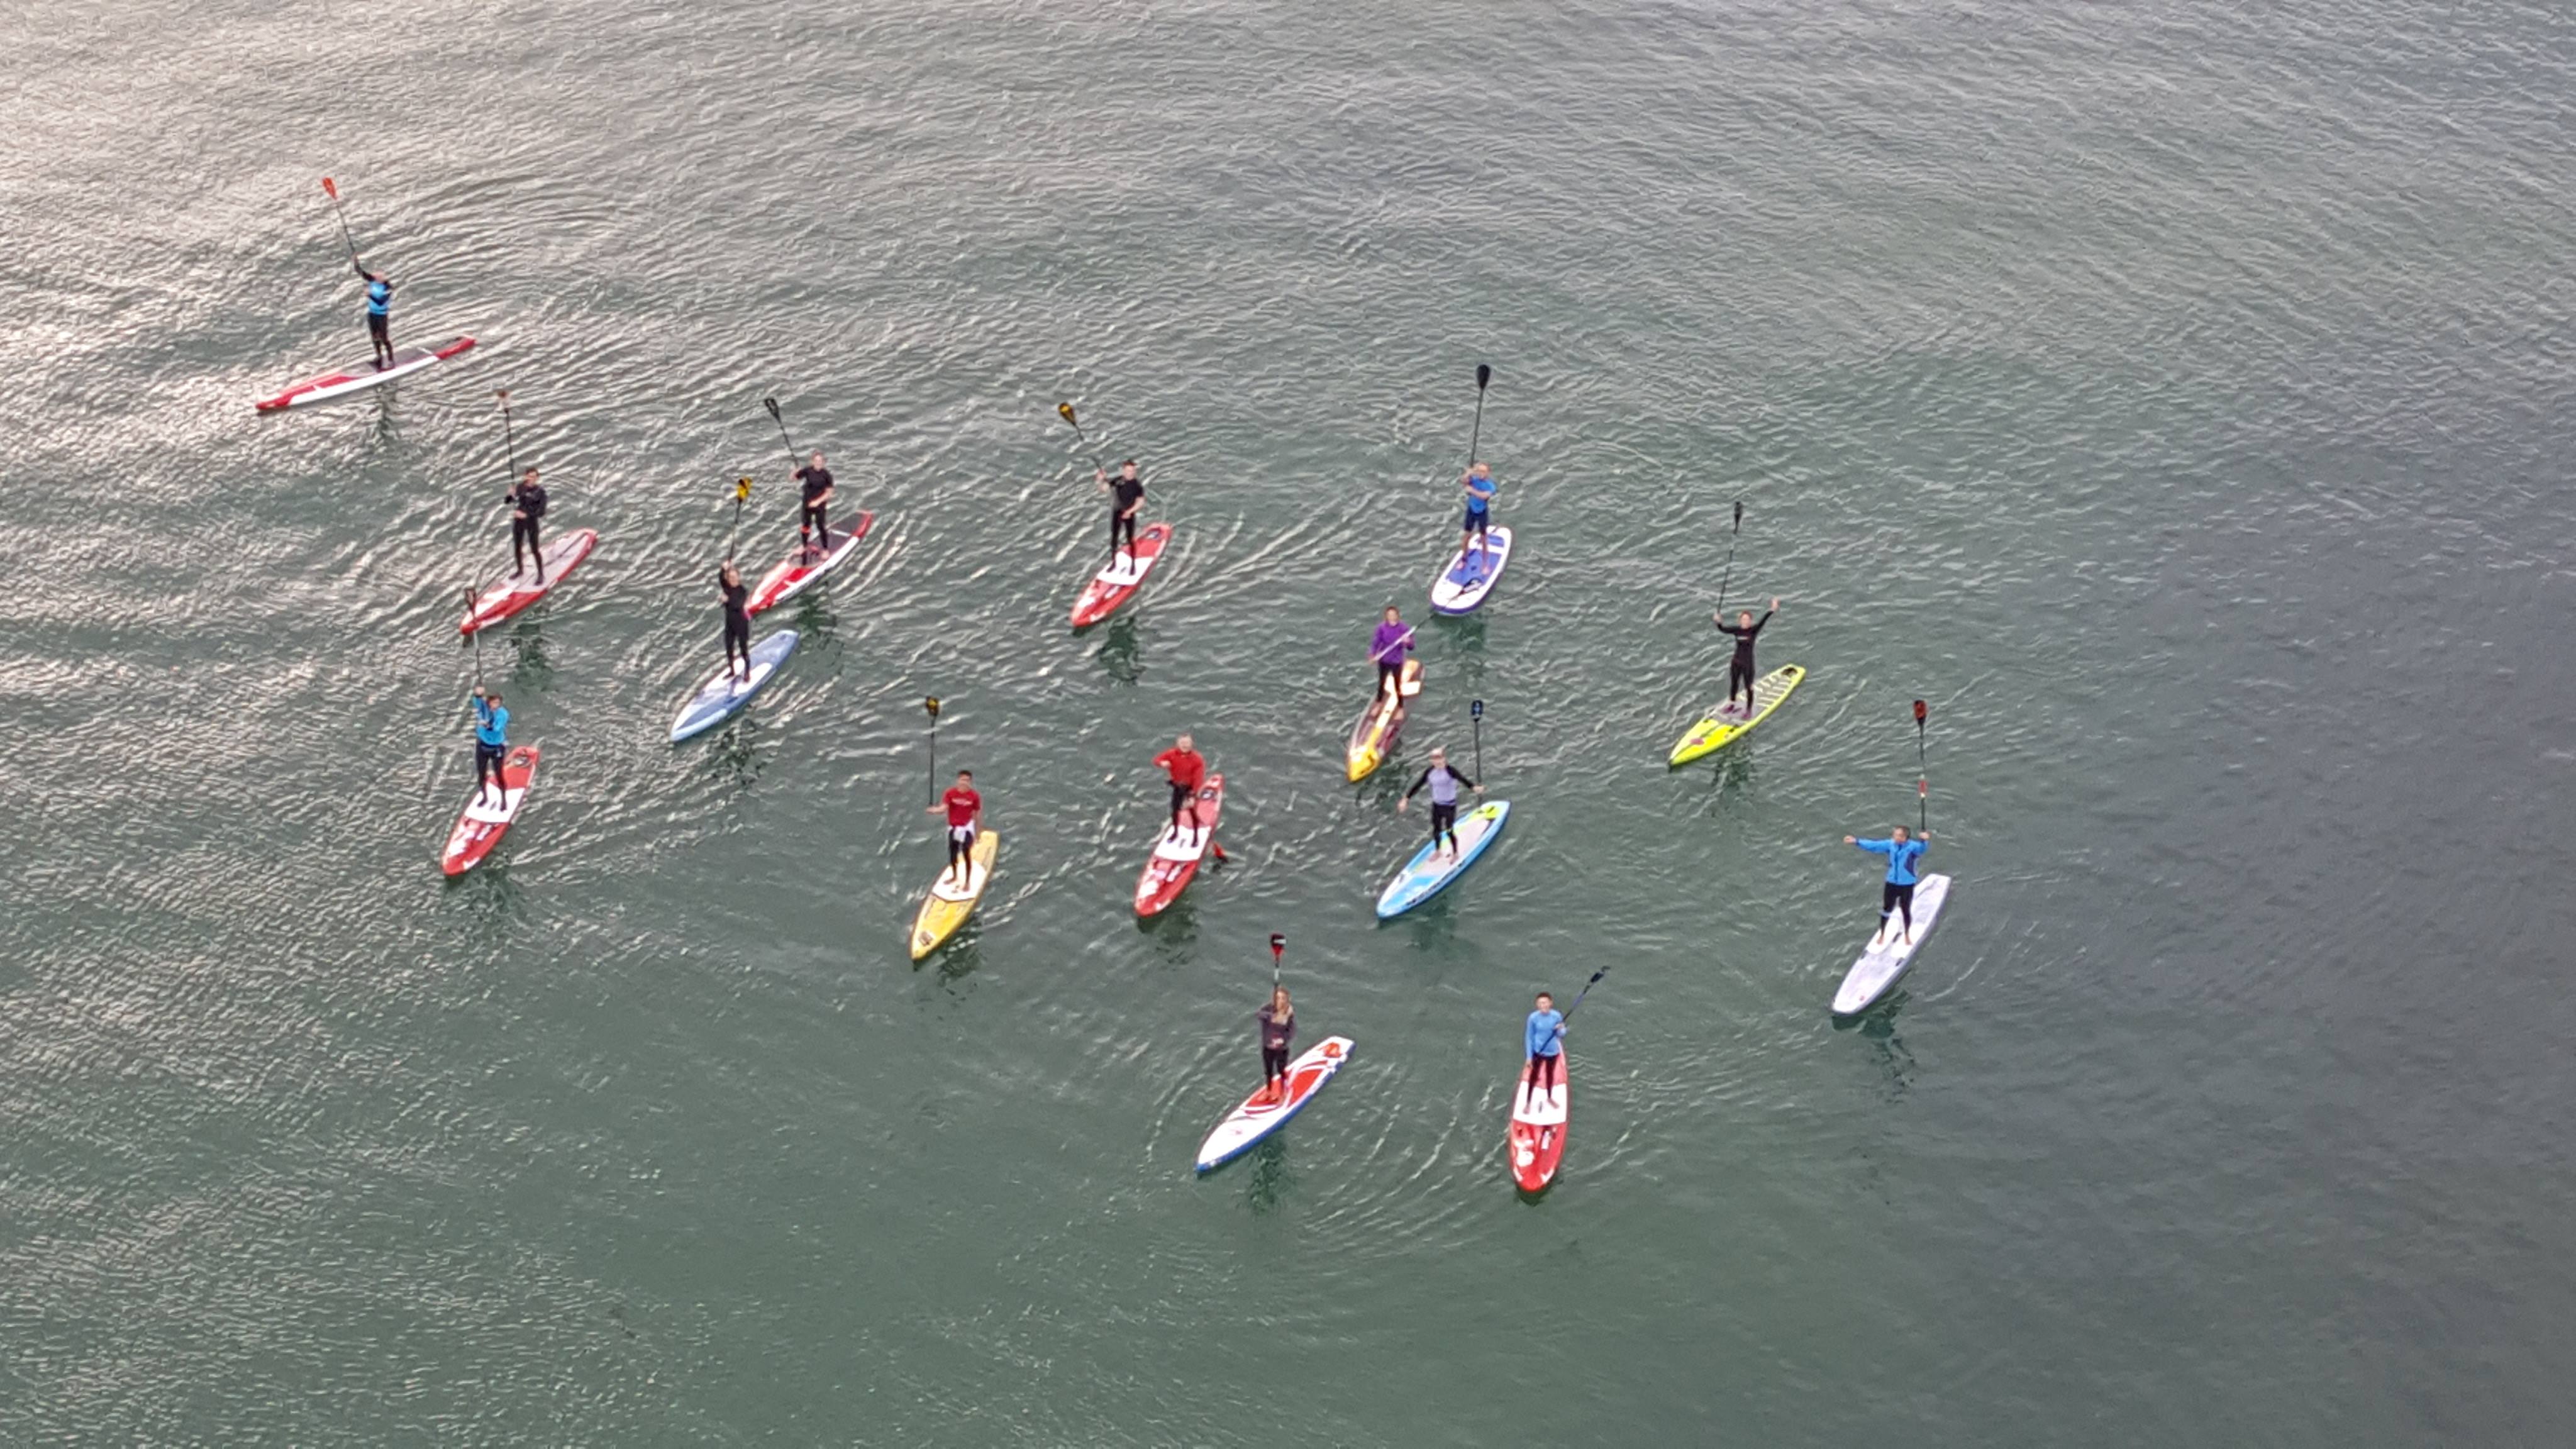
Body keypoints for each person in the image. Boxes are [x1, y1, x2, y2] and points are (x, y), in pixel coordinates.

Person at [1844, 824, 1929, 946]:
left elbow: (1922, 849)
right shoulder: (1890, 844)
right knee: (1886, 909)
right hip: (1891, 883)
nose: (1896, 837)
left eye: (1899, 836)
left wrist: (1924, 840)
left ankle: (1907, 935)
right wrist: (1857, 841)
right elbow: (1874, 846)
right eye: (1895, 835)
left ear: (1906, 837)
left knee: (1906, 910)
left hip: (1907, 884)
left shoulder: (1913, 847)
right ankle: (1882, 934)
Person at [1397, 746, 1482, 858]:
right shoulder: (1430, 771)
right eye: (1434, 758)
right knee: (1436, 830)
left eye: (1439, 758)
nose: (1437, 761)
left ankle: (1455, 853)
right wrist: (1406, 799)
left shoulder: (1450, 771)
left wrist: (1474, 788)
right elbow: (1418, 785)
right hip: (1437, 805)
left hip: (1449, 806)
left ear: (1444, 759)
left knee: (1449, 830)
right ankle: (1438, 851)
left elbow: (1463, 780)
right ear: (1431, 760)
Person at [1713, 598, 1779, 717]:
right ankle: (1732, 704)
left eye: (1747, 620)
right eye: (1743, 619)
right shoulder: (1736, 630)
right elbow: (1723, 629)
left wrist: (1772, 609)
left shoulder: (1753, 630)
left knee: (1749, 687)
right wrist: (1718, 622)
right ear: (1740, 621)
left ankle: (1748, 710)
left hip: (1748, 664)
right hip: (1736, 662)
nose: (1745, 622)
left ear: (1750, 621)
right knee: (1734, 684)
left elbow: (1763, 620)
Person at [928, 770, 983, 887]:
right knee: (953, 854)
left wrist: (978, 832)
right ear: (958, 780)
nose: (965, 783)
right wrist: (934, 811)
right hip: (953, 828)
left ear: (970, 782)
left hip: (967, 828)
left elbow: (977, 814)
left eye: (967, 781)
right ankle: (954, 876)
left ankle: (967, 882)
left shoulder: (974, 796)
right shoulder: (950, 793)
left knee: (966, 853)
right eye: (963, 780)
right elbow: (943, 808)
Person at [1153, 733, 1208, 843]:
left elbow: (1198, 779)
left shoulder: (1197, 759)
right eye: (1182, 743)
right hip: (1177, 787)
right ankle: (1176, 833)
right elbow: (1156, 760)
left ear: (1191, 744)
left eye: (1187, 743)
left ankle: (1196, 837)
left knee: (1192, 812)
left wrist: (1193, 795)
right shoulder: (1172, 754)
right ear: (1178, 744)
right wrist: (1162, 763)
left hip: (1190, 789)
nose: (1185, 746)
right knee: (1175, 811)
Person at [1096, 459, 1145, 569]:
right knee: (1114, 538)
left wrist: (1130, 512)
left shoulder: (1137, 485)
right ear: (1123, 471)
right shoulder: (1118, 481)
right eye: (1128, 471)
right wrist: (1100, 480)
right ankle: (1114, 563)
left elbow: (1141, 502)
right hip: (1117, 512)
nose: (1131, 473)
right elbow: (1103, 489)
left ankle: (1133, 565)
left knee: (1129, 539)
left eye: (1133, 471)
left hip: (1129, 514)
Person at [507, 467, 549, 582]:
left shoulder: (541, 492)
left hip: (531, 523)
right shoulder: (520, 487)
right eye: (530, 477)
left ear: (537, 478)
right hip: (519, 522)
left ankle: (541, 574)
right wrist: (510, 494)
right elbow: (508, 501)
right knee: (517, 547)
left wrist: (526, 515)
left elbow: (541, 512)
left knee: (534, 549)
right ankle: (520, 570)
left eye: (534, 477)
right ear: (525, 476)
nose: (532, 479)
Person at [1523, 991, 1565, 1104]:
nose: (1543, 1006)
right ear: (1537, 1005)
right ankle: (1528, 1102)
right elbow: (1529, 1037)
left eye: (1545, 1003)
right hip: (1538, 1052)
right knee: (1533, 1077)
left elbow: (1562, 1034)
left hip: (1553, 1052)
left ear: (1550, 1003)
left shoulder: (1556, 1016)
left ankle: (1550, 1098)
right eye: (1540, 1003)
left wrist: (1560, 1029)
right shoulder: (1533, 1018)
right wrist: (1529, 1056)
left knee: (1550, 1075)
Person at [469, 686, 509, 806]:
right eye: (493, 702)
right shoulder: (483, 707)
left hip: (496, 748)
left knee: (499, 774)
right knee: (481, 775)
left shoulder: (503, 714)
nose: (495, 705)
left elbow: (497, 728)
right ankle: (485, 797)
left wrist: (487, 725)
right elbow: (477, 701)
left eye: (498, 703)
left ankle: (503, 800)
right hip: (482, 746)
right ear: (489, 702)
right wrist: (478, 694)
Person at [1256, 985, 1296, 1106]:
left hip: (1281, 1049)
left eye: (1283, 998)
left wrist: (1283, 1040)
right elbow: (1259, 1015)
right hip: (1268, 1047)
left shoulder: (1289, 1016)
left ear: (1287, 1000)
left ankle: (1283, 1093)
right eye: (1278, 998)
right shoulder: (1268, 1009)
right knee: (1268, 1071)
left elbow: (1292, 1032)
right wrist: (1272, 1018)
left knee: (1281, 1071)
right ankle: (1268, 1091)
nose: (1281, 1001)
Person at [793, 450, 835, 559]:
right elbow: (793, 478)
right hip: (807, 504)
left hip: (819, 506)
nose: (818, 463)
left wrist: (818, 502)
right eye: (816, 461)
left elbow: (829, 494)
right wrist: (795, 472)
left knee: (821, 526)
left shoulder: (827, 475)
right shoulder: (808, 471)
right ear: (813, 462)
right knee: (806, 526)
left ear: (823, 462)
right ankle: (804, 546)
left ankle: (825, 549)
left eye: (820, 461)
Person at [1368, 606, 1414, 701]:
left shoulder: (1404, 629)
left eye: (1394, 615)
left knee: (1397, 685)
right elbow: (1376, 642)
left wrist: (1407, 642)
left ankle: (1400, 707)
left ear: (1398, 616)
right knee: (1381, 683)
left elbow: (1411, 647)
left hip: (1396, 662)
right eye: (1389, 615)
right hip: (1384, 660)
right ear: (1386, 616)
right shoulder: (1382, 628)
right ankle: (1378, 702)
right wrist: (1372, 654)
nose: (1392, 617)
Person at [718, 560, 752, 682]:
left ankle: (747, 672)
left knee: (744, 650)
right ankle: (732, 670)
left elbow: (737, 605)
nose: (731, 580)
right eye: (729, 578)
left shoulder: (742, 591)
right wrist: (723, 569)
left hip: (741, 624)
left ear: (738, 577)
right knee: (729, 648)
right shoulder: (727, 588)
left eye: (733, 577)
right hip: (730, 624)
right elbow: (721, 579)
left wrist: (727, 600)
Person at [356, 262, 394, 369]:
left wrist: (370, 295)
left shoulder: (388, 288)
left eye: (380, 276)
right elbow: (360, 271)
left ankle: (391, 360)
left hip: (382, 316)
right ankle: (379, 357)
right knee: (375, 337)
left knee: (384, 338)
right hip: (372, 314)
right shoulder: (372, 280)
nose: (376, 277)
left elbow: (381, 302)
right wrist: (355, 261)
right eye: (376, 275)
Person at [1459, 461, 1498, 560]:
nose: (1481, 473)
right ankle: (1464, 559)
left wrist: (1472, 490)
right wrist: (1468, 473)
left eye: (1484, 471)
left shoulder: (1491, 486)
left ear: (1488, 473)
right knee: (1467, 536)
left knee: (1483, 538)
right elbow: (1464, 481)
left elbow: (1484, 496)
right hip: (1471, 510)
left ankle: (1485, 563)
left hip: (1482, 512)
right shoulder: (1474, 480)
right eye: (1480, 471)